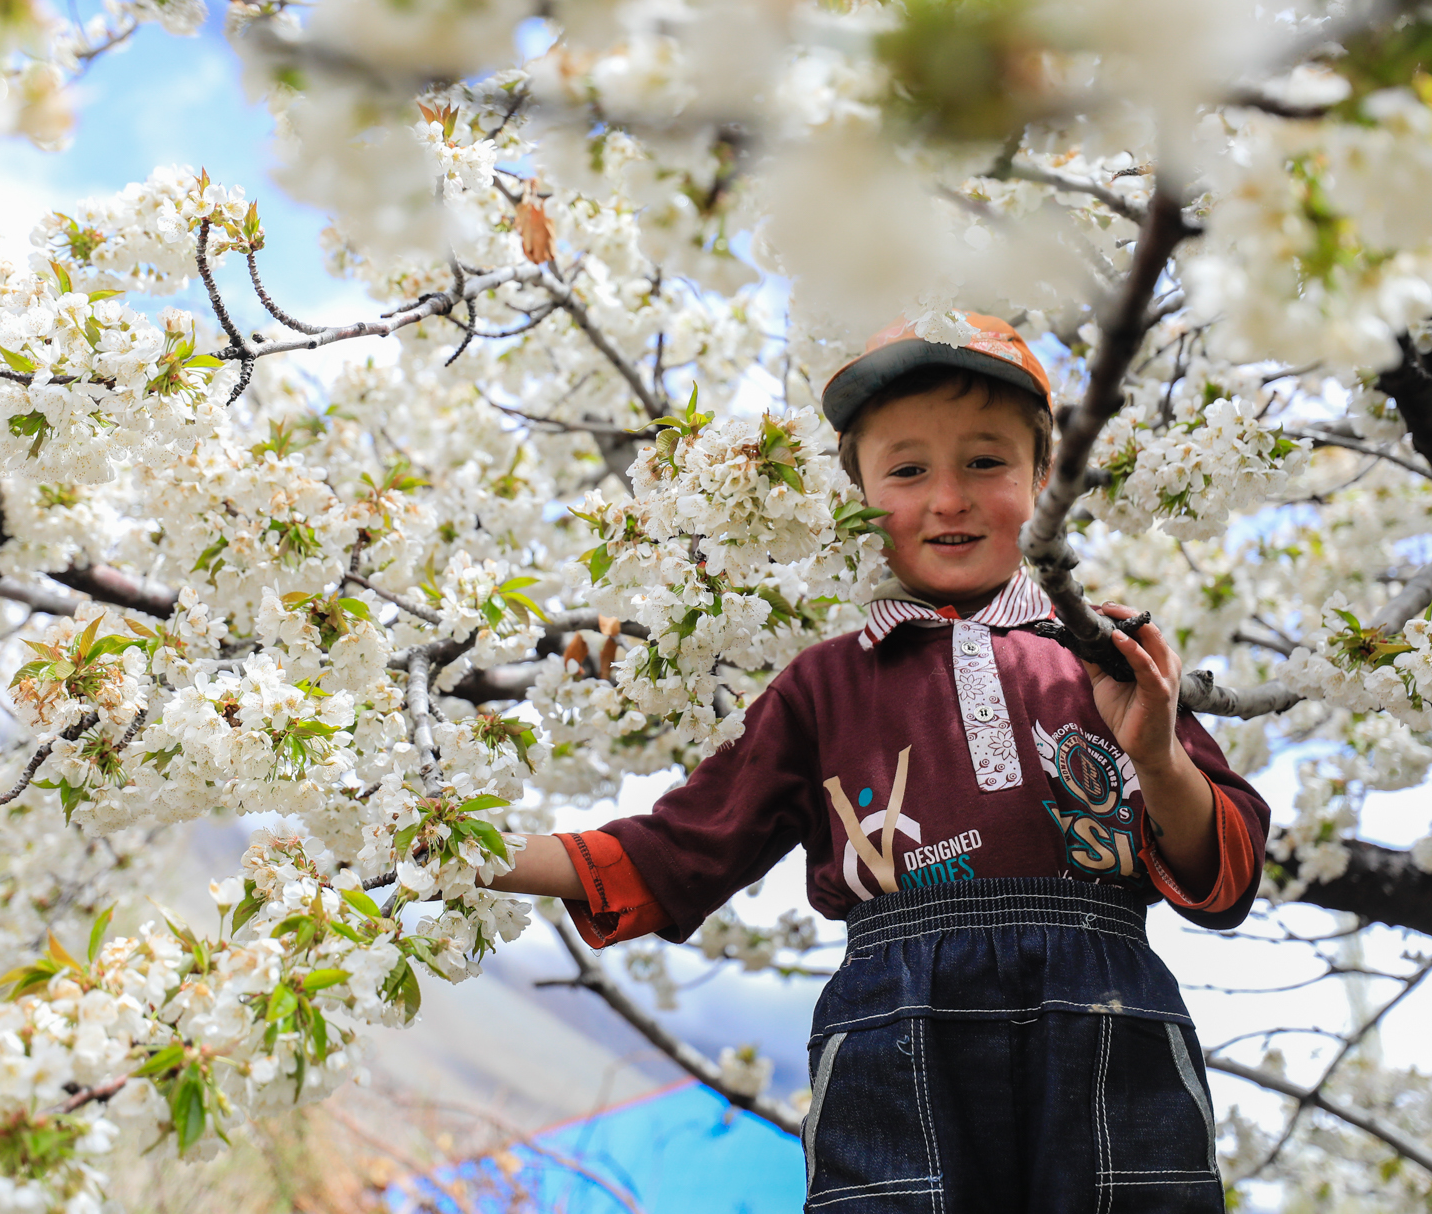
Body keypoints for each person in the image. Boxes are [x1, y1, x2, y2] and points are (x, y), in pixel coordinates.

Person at [486, 313, 1269, 1213]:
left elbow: (1226, 874)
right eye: (907, 470)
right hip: (895, 1024)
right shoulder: (823, 684)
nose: (949, 498)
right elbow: (675, 849)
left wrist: (1156, 751)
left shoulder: (1106, 655)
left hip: (1106, 1009)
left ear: (1045, 480)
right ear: (857, 495)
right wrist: (468, 849)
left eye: (986, 462)